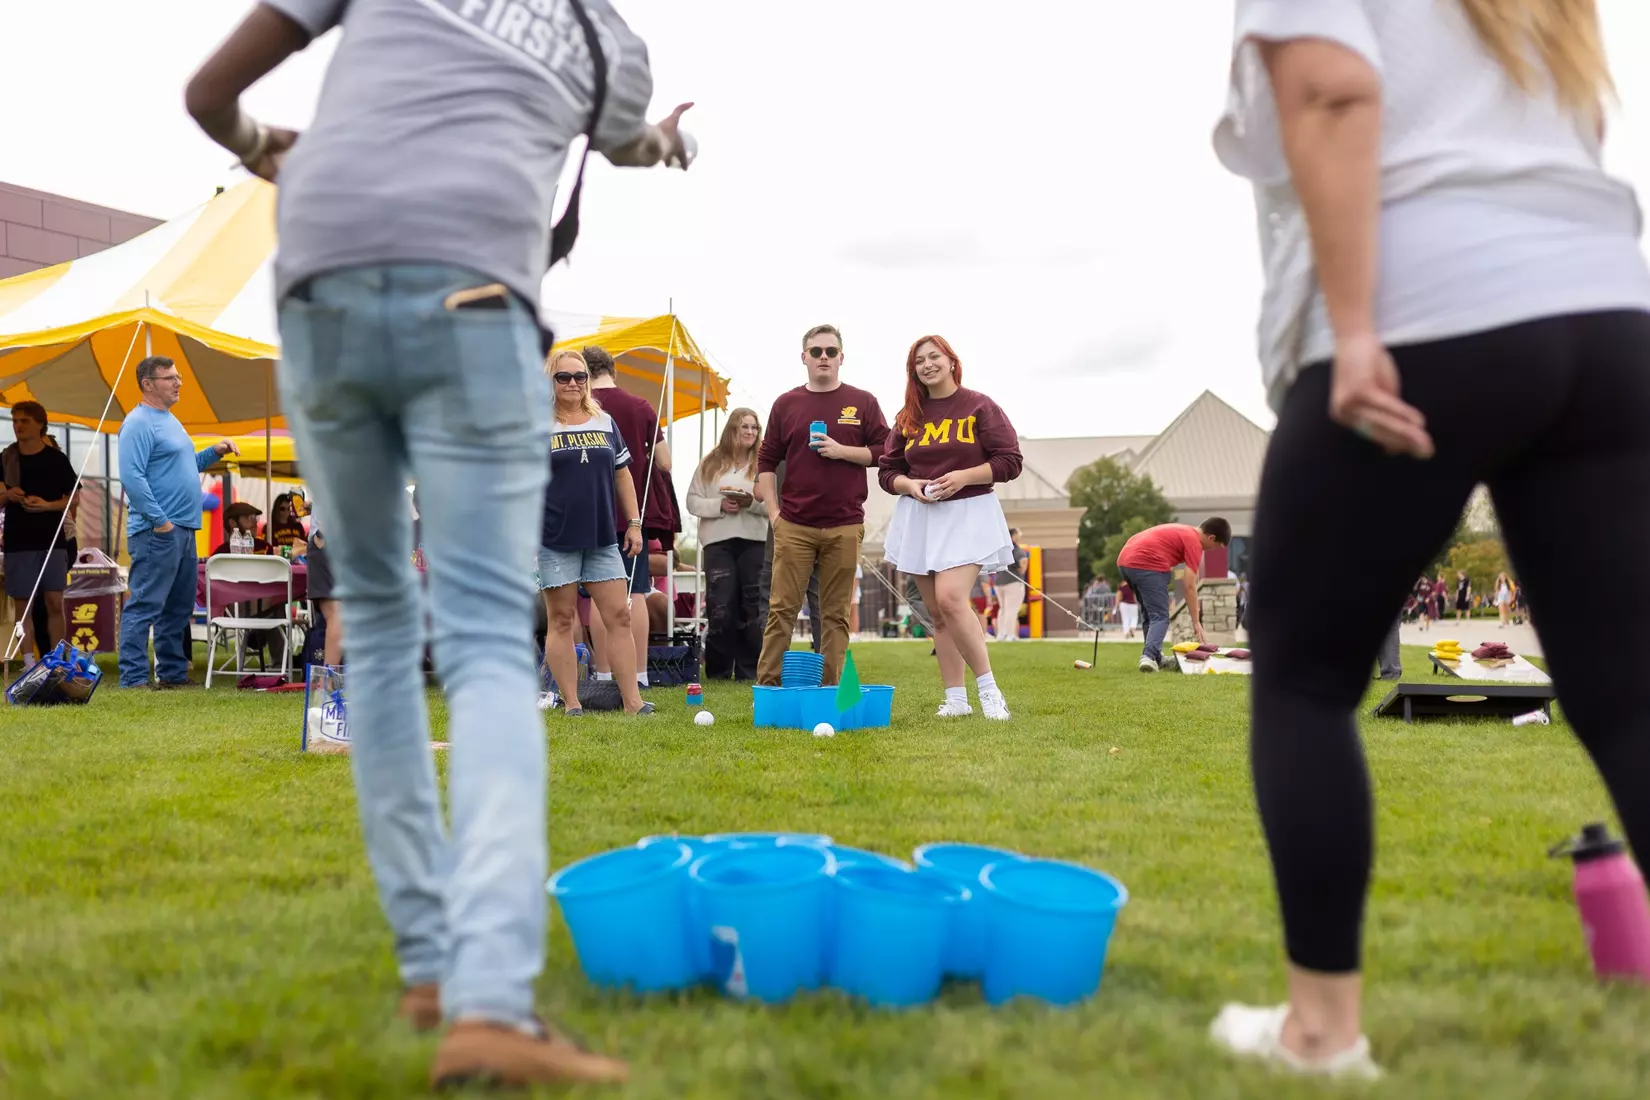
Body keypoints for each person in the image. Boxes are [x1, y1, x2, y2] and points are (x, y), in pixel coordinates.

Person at [186, 0, 691, 1085]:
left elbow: (205, 96)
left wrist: (259, 145)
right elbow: (635, 142)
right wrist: (670, 143)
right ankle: (490, 1000)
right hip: (473, 302)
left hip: (319, 293)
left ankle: (427, 963)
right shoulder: (612, 46)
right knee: (479, 641)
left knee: (372, 618)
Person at [1211, 0, 1650, 1078]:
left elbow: (1333, 92)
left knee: (1306, 680)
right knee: (1633, 691)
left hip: (1424, 308)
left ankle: (1321, 1031)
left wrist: (1355, 331)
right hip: (1606, 313)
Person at [878, 335, 1022, 720]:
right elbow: (888, 471)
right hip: (920, 516)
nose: (927, 365)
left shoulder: (980, 405)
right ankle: (956, 699)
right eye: (919, 361)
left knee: (951, 599)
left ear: (951, 360)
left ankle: (990, 691)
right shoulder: (908, 416)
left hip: (968, 513)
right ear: (914, 372)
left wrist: (963, 477)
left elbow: (1009, 460)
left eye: (934, 356)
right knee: (938, 615)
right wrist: (910, 486)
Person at [755, 325, 889, 687]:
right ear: (804, 358)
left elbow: (885, 452)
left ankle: (831, 690)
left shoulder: (863, 402)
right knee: (781, 611)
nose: (824, 357)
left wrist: (842, 451)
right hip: (794, 525)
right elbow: (766, 460)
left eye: (831, 351)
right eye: (816, 352)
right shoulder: (786, 403)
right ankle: (767, 690)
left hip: (845, 524)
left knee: (835, 615)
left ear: (842, 357)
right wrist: (774, 515)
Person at [537, 350, 654, 719]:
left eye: (580, 376)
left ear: (589, 379)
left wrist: (634, 522)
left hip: (604, 536)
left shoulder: (605, 421)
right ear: (550, 382)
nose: (573, 383)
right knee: (561, 620)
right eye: (563, 377)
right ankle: (572, 702)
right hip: (554, 538)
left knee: (619, 615)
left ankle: (633, 702)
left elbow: (622, 474)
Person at [116, 357, 238, 688]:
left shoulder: (170, 421)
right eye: (170, 377)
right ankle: (134, 678)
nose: (178, 382)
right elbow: (131, 477)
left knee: (178, 608)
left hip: (184, 529)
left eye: (178, 376)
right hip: (157, 531)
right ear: (148, 383)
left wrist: (213, 452)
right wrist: (160, 522)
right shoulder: (138, 423)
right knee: (144, 604)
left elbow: (186, 464)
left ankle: (171, 673)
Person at [583, 345, 669, 690]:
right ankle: (639, 675)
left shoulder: (580, 408)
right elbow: (665, 462)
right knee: (638, 593)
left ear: (584, 374)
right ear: (613, 370)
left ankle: (604, 675)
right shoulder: (641, 406)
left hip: (591, 515)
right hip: (633, 514)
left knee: (601, 600)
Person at [685, 407, 768, 680]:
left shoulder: (764, 463)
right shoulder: (710, 463)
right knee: (720, 605)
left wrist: (751, 502)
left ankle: (749, 670)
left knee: (752, 605)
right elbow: (692, 501)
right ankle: (719, 670)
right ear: (732, 429)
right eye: (744, 426)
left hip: (755, 540)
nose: (750, 432)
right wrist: (719, 504)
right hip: (717, 542)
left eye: (754, 427)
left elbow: (774, 505)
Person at [1, 401, 78, 663]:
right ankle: (28, 663)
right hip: (17, 541)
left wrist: (46, 506)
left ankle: (58, 661)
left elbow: (73, 499)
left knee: (55, 602)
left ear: (40, 424)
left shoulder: (56, 459)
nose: (18, 426)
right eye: (15, 421)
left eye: (24, 421)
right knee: (24, 608)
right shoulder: (6, 457)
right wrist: (9, 495)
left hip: (52, 540)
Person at [1116, 519, 1232, 673]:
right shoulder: (1194, 542)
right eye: (1216, 547)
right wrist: (1196, 622)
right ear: (1211, 538)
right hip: (1146, 563)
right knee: (1160, 616)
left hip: (1125, 562)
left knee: (1150, 616)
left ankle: (1156, 658)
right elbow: (1189, 585)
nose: (1212, 550)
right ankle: (1148, 657)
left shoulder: (1184, 531)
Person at [994, 528, 1030, 641]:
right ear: (1013, 535)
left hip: (999, 582)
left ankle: (1001, 634)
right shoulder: (1015, 549)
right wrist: (1022, 570)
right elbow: (1023, 563)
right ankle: (1009, 634)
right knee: (1012, 609)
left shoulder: (1000, 548)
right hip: (1013, 582)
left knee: (1003, 608)